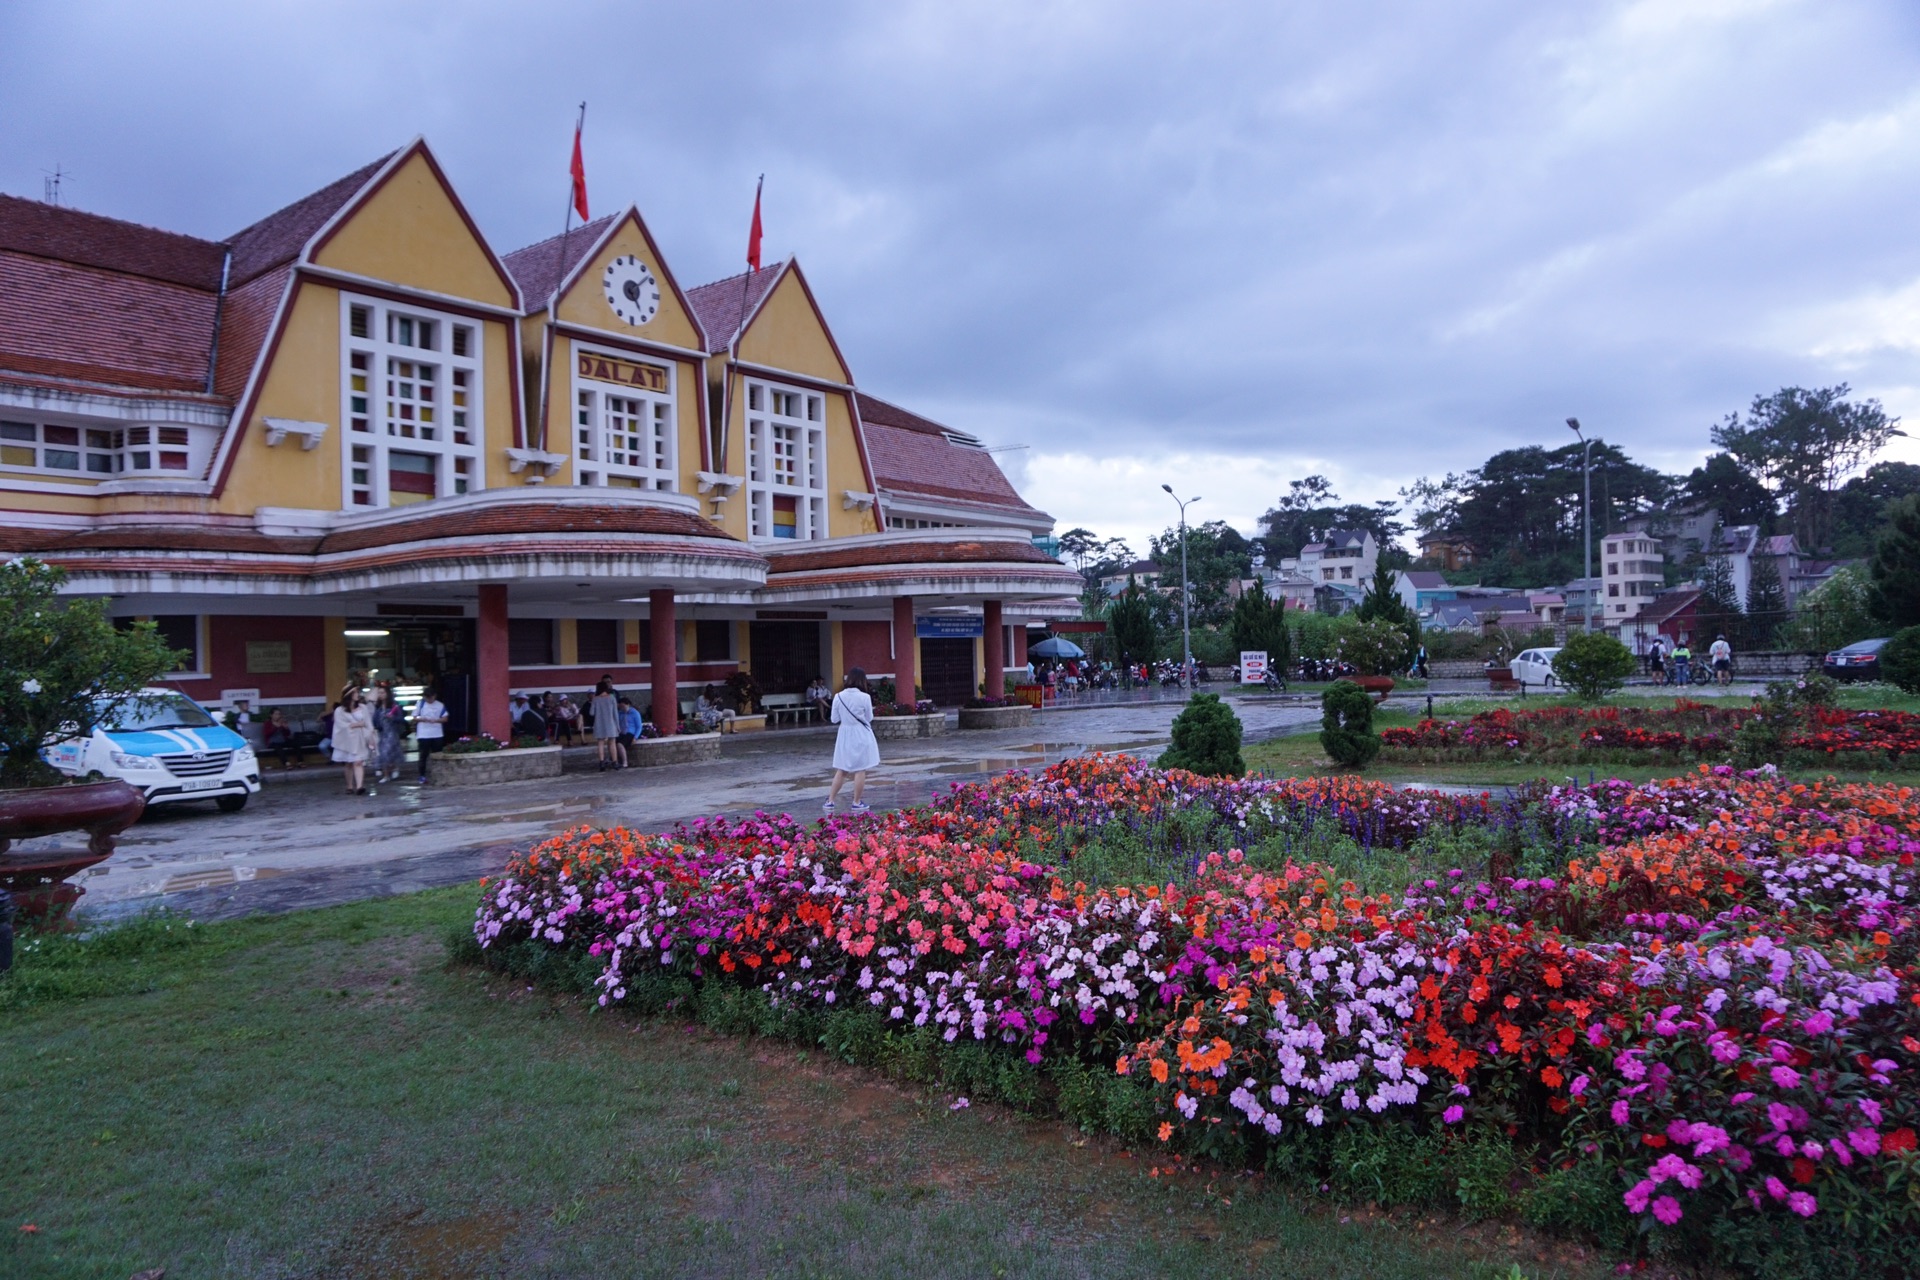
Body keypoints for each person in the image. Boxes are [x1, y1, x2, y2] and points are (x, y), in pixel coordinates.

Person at [825, 667, 879, 816]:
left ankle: (830, 800)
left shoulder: (838, 696)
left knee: (842, 769)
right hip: (861, 733)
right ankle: (856, 802)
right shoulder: (864, 697)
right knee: (860, 769)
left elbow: (834, 719)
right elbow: (869, 717)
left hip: (845, 734)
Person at [331, 685, 375, 795]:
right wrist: (356, 724)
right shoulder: (339, 710)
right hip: (347, 740)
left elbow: (368, 723)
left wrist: (371, 736)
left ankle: (360, 786)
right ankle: (349, 786)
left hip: (360, 739)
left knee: (358, 761)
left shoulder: (363, 707)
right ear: (348, 695)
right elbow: (340, 725)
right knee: (349, 763)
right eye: (355, 692)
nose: (357, 694)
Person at [370, 682, 406, 785]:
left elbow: (401, 719)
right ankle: (386, 774)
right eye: (379, 693)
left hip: (392, 733)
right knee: (383, 753)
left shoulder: (394, 706)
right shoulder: (379, 707)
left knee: (388, 752)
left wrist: (393, 718)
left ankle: (393, 769)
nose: (381, 695)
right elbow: (375, 720)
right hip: (382, 733)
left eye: (383, 692)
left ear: (387, 693)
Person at [413, 683, 448, 783]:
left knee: (437, 754)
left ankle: (438, 773)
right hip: (423, 734)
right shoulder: (420, 704)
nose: (429, 700)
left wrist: (436, 721)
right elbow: (415, 717)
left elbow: (445, 718)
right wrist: (422, 719)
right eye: (427, 698)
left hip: (437, 733)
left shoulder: (440, 705)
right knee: (423, 755)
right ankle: (422, 775)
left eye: (431, 698)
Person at [589, 677, 622, 771]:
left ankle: (601, 763)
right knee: (612, 742)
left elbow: (591, 713)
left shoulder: (595, 699)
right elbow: (615, 713)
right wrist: (618, 726)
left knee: (600, 743)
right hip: (611, 723)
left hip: (599, 724)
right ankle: (615, 763)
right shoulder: (612, 697)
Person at [616, 695, 644, 766]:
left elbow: (639, 727)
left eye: (623, 706)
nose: (622, 708)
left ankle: (625, 762)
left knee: (620, 744)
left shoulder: (635, 713)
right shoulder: (620, 713)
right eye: (621, 707)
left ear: (627, 704)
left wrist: (635, 737)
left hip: (630, 732)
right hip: (622, 732)